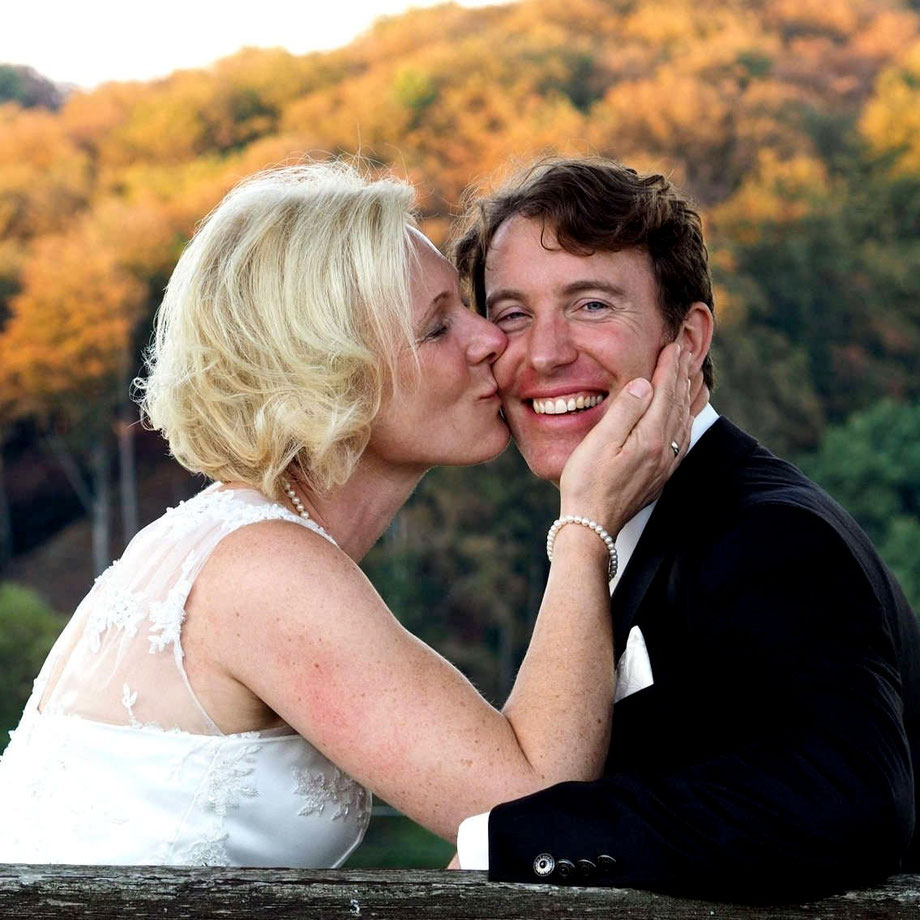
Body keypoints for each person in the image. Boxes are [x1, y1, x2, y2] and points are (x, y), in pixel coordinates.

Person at [0, 161, 697, 868]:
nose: (488, 338)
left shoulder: (223, 539)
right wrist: (586, 526)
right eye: (436, 327)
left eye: (466, 307)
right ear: (330, 374)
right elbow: (534, 807)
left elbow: (492, 823)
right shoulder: (265, 571)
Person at [451, 156, 920, 900]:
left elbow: (850, 801)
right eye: (513, 315)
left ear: (690, 339)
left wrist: (505, 837)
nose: (545, 353)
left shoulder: (771, 537)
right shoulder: (627, 528)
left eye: (591, 305)